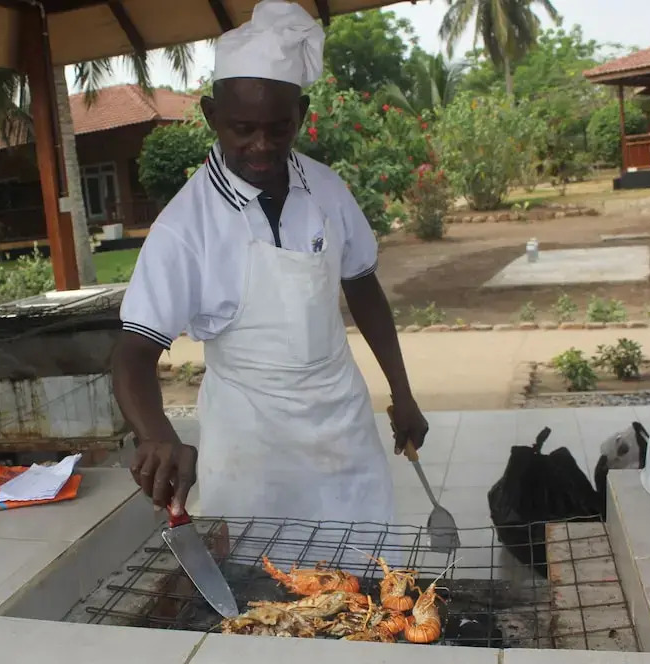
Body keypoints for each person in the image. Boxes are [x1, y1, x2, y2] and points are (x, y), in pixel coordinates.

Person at [113, 0, 428, 524]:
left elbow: (362, 285)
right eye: (242, 129)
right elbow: (133, 351)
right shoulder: (185, 226)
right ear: (211, 115)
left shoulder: (327, 189)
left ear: (300, 114)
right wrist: (155, 434)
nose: (261, 146)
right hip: (250, 447)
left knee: (368, 564)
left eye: (279, 129)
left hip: (342, 432)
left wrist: (403, 392)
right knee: (262, 573)